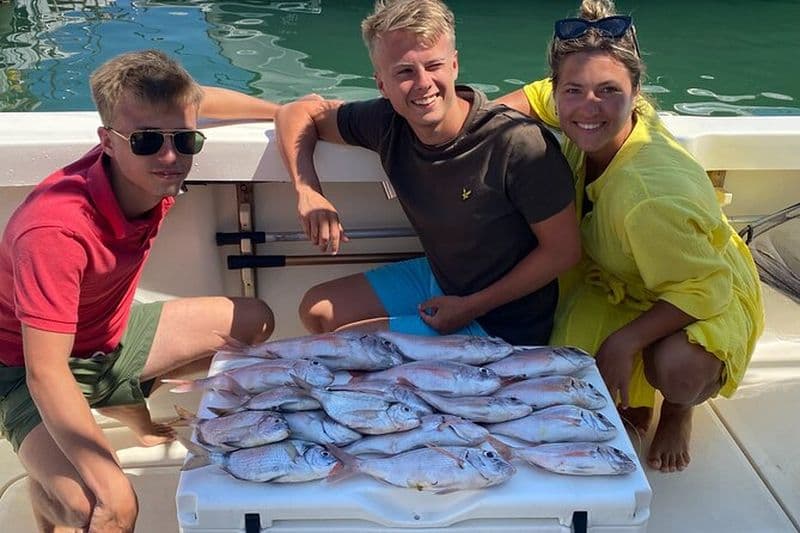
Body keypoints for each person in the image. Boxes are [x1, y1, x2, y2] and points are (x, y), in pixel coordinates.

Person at [0, 50, 276, 532]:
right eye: (147, 141)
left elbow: (200, 100)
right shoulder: (54, 230)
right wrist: (111, 487)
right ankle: (51, 491)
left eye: (184, 139)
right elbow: (45, 373)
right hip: (21, 370)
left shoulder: (151, 169)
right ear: (107, 141)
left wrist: (281, 112)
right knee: (104, 509)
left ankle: (112, 392)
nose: (170, 157)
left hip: (106, 338)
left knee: (253, 321)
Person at [495, 0, 764, 472]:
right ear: (557, 91)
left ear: (636, 92)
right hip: (621, 278)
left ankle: (679, 410)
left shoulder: (650, 196)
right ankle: (636, 373)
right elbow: (508, 107)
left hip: (700, 285)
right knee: (562, 380)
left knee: (678, 368)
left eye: (608, 91)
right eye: (573, 91)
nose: (588, 108)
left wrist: (624, 343)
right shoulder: (583, 104)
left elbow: (706, 287)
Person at [275, 0, 580, 346]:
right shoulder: (387, 123)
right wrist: (308, 190)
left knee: (347, 345)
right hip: (443, 279)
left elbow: (564, 252)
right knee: (318, 309)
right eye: (404, 72)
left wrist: (470, 307)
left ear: (454, 65)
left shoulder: (519, 144)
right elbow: (295, 113)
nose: (423, 84)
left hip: (504, 322)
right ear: (381, 84)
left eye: (433, 66)